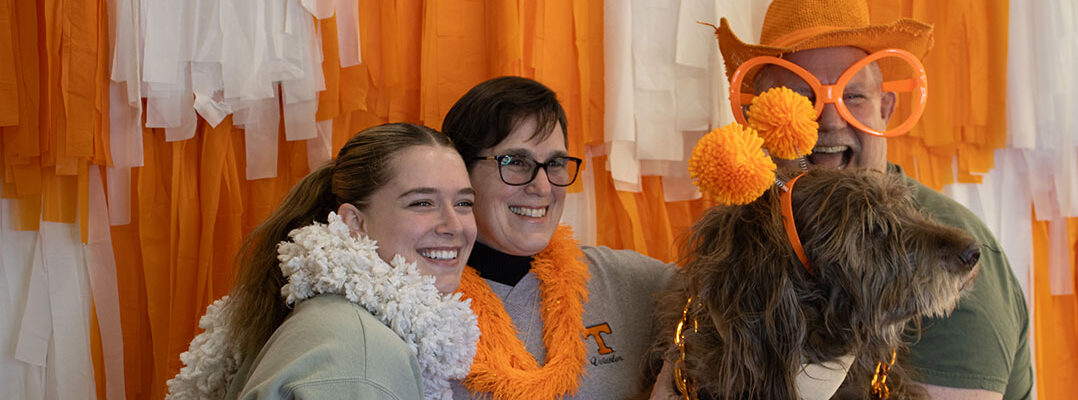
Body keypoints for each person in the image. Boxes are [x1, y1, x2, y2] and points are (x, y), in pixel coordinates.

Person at [715, 0, 1033, 399]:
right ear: (759, 118)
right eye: (801, 98)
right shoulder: (752, 239)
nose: (829, 121)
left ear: (886, 110)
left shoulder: (950, 259)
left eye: (853, 97)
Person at [165, 123, 481, 400]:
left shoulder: (334, 321)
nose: (454, 225)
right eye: (422, 202)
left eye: (464, 203)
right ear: (354, 223)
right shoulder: (360, 353)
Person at [441, 76, 675, 400]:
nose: (542, 187)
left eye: (555, 163)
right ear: (460, 172)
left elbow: (744, 297)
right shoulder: (417, 298)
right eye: (516, 162)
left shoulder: (631, 283)